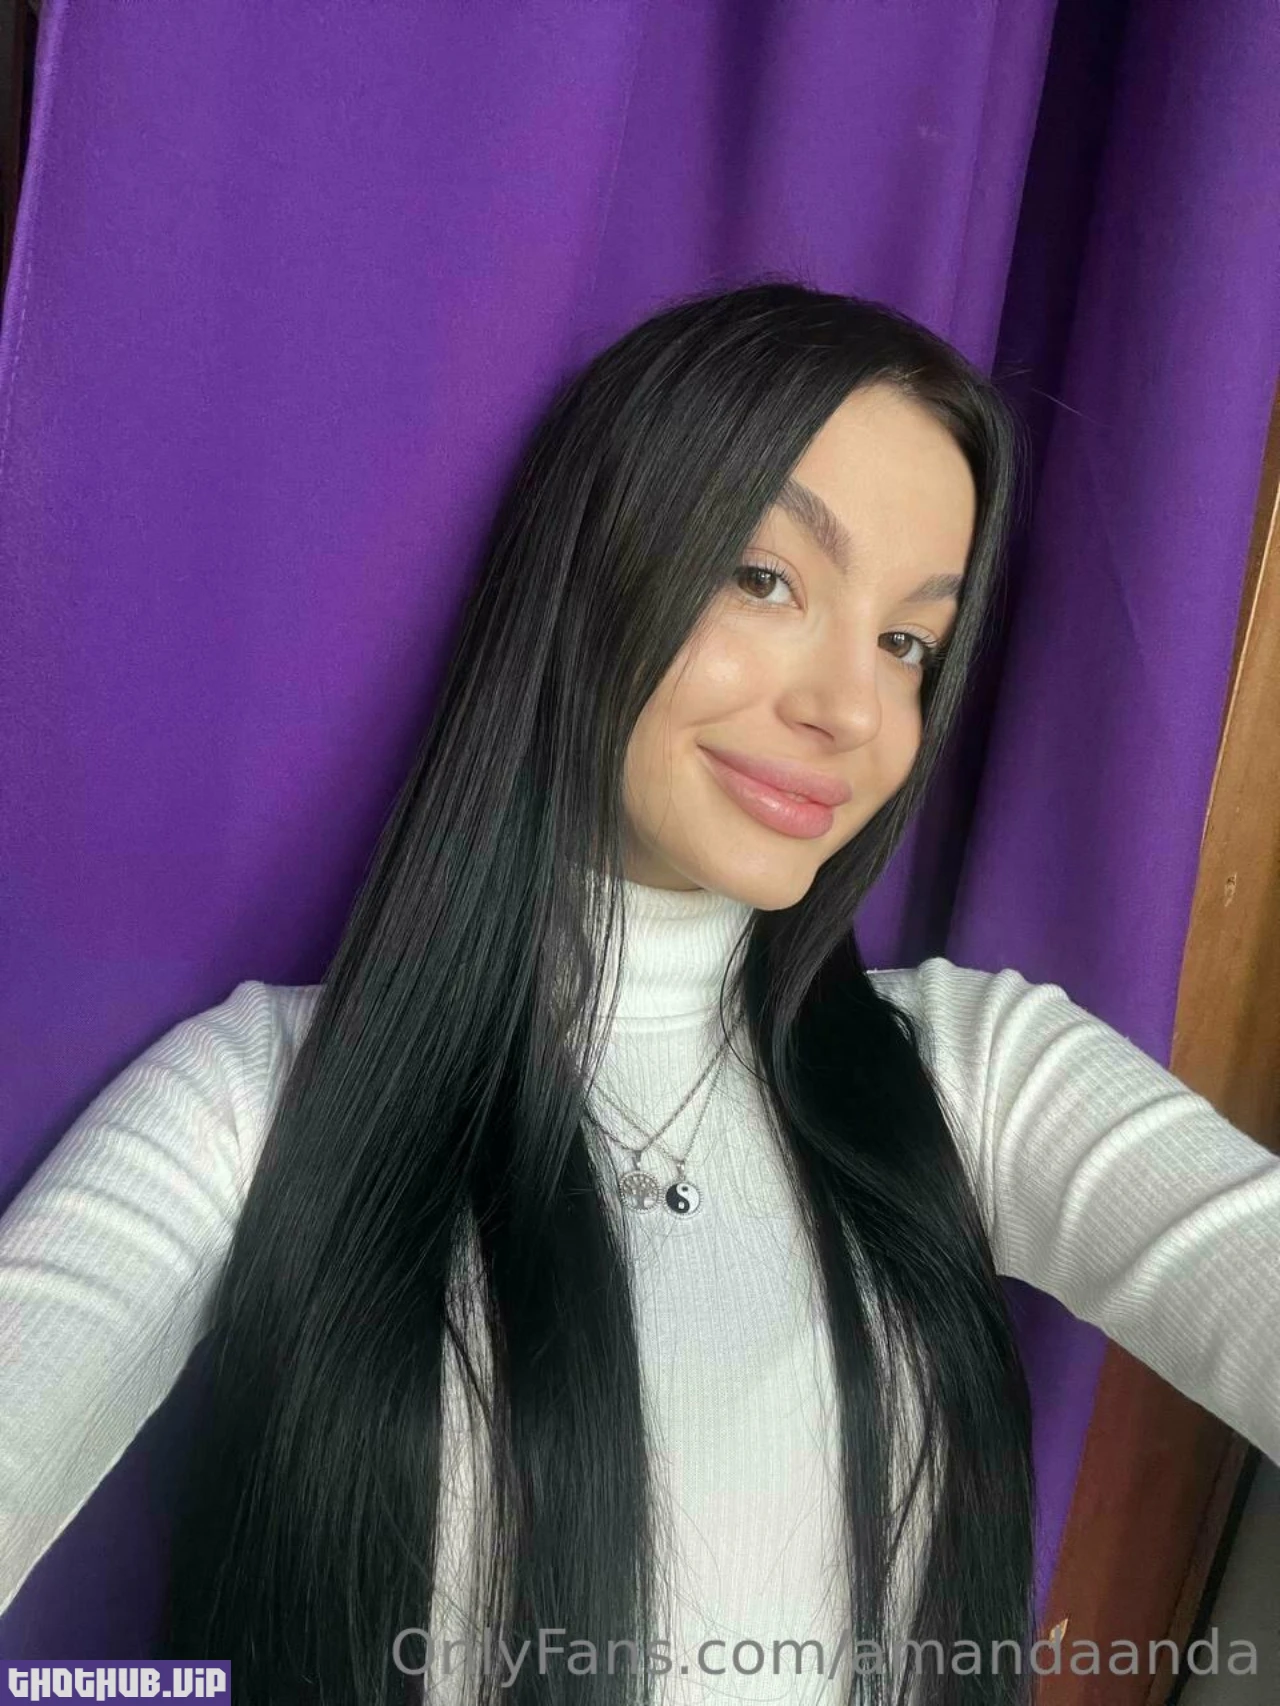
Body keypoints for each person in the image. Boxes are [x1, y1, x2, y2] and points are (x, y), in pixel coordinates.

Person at [0, 281, 1276, 1706]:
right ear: (592, 568)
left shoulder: (977, 1076)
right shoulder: (257, 1103)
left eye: (906, 642)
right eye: (766, 578)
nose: (853, 710)